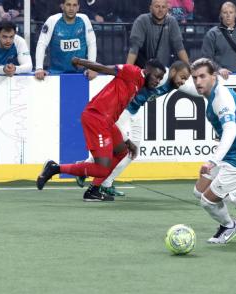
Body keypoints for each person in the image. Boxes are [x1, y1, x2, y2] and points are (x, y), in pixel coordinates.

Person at [36, 58, 167, 201]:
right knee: (102, 168)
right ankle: (55, 168)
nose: (158, 81)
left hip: (107, 122)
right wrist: (80, 61)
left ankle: (93, 191)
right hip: (96, 118)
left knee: (122, 151)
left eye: (161, 78)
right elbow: (104, 68)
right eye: (157, 76)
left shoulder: (140, 84)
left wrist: (126, 140)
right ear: (147, 71)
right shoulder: (131, 71)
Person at [75, 60, 192, 196]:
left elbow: (192, 89)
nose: (183, 81)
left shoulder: (175, 82)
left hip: (135, 111)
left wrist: (210, 85)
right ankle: (87, 171)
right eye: (182, 77)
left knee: (132, 150)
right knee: (119, 148)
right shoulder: (161, 76)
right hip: (122, 111)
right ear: (173, 72)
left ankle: (104, 182)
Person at [190, 58, 236, 244]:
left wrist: (212, 161)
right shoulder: (211, 92)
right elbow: (184, 87)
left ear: (213, 76)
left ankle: (228, 227)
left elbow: (231, 130)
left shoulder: (221, 97)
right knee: (199, 191)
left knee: (207, 201)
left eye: (202, 76)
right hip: (231, 155)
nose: (198, 82)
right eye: (195, 78)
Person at [34, 0, 97, 80]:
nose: (71, 8)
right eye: (68, 5)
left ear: (78, 7)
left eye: (74, 5)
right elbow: (42, 44)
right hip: (56, 75)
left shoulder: (84, 19)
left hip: (82, 75)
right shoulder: (52, 20)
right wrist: (39, 68)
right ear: (62, 6)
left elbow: (91, 43)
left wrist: (92, 67)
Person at [201, 1, 236, 80]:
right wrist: (219, 69)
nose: (228, 15)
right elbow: (206, 58)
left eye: (231, 12)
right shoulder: (212, 34)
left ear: (235, 14)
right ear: (221, 14)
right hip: (219, 78)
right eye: (225, 12)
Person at [126, 0, 189, 68]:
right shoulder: (142, 20)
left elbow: (179, 47)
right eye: (157, 6)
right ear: (150, 8)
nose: (160, 10)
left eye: (163, 7)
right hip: (143, 68)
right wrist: (127, 70)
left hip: (164, 69)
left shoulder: (172, 21)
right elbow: (134, 48)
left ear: (167, 9)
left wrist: (189, 70)